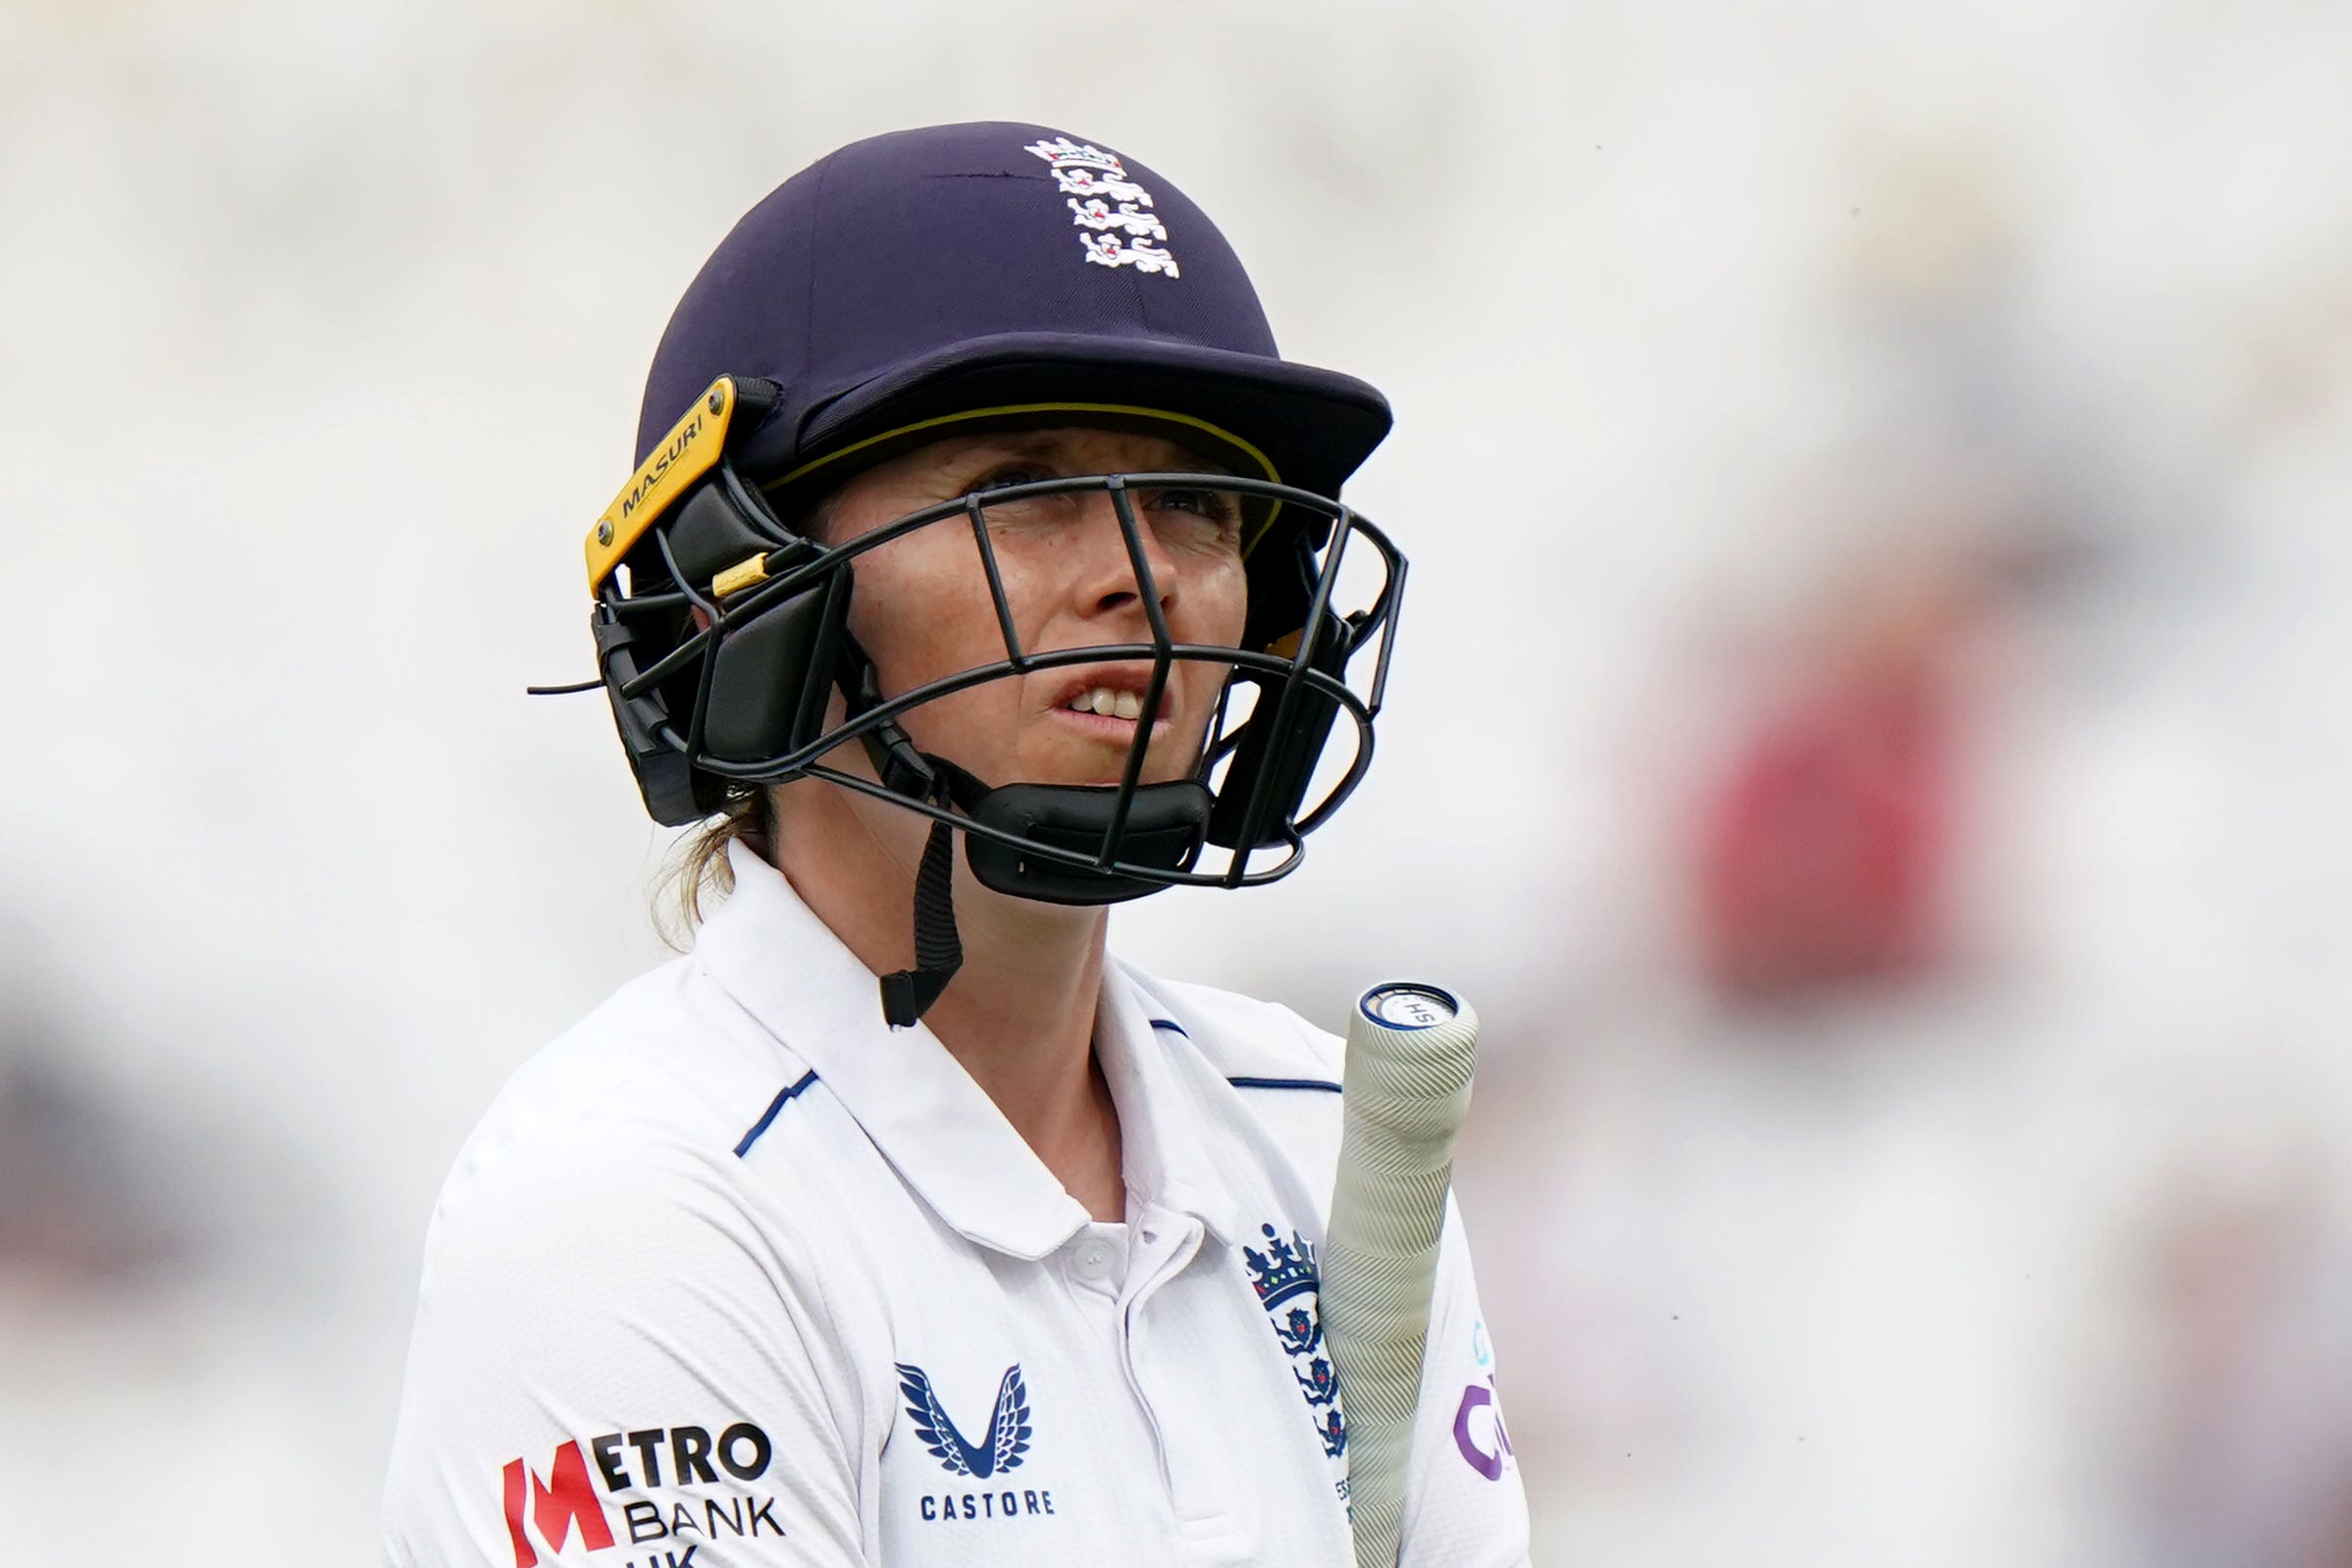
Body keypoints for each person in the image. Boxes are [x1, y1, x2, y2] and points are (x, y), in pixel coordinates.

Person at [381, 122, 1531, 1567]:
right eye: (1023, 487)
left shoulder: (1315, 1132)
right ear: (737, 592)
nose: (1145, 576)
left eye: (1196, 500)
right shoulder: (637, 1199)